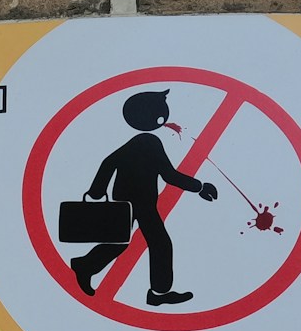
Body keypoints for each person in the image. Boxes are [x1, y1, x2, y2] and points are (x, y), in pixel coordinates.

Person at [69, 89, 219, 306]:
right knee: (159, 243)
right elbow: (169, 175)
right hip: (138, 202)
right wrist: (200, 187)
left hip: (128, 200)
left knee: (122, 241)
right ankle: (157, 293)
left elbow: (108, 162)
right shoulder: (148, 142)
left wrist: (97, 192)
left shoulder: (139, 141)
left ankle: (86, 265)